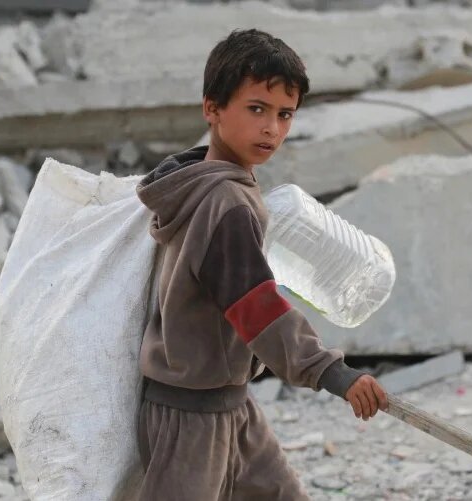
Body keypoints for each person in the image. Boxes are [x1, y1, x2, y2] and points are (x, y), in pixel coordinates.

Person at [134, 28, 389, 500]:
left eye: (284, 114)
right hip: (191, 416)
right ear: (212, 108)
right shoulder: (224, 203)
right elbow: (256, 307)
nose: (272, 128)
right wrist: (331, 372)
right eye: (257, 109)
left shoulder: (208, 187)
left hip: (229, 404)